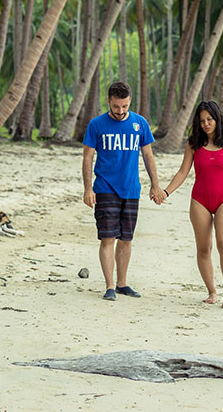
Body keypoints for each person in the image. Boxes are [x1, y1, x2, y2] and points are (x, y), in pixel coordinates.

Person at [161, 100, 223, 309]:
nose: (206, 124)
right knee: (204, 248)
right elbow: (183, 172)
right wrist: (166, 191)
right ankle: (212, 291)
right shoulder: (193, 144)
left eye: (209, 119)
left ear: (217, 119)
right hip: (200, 201)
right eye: (202, 120)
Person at [82, 82, 165, 301]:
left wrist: (155, 184)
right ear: (108, 101)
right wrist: (88, 188)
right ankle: (109, 286)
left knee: (126, 239)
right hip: (105, 188)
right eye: (117, 106)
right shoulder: (96, 124)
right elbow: (87, 157)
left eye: (125, 106)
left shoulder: (140, 123)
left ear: (130, 102)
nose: (120, 111)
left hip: (131, 190)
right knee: (108, 238)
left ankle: (122, 283)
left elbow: (148, 156)